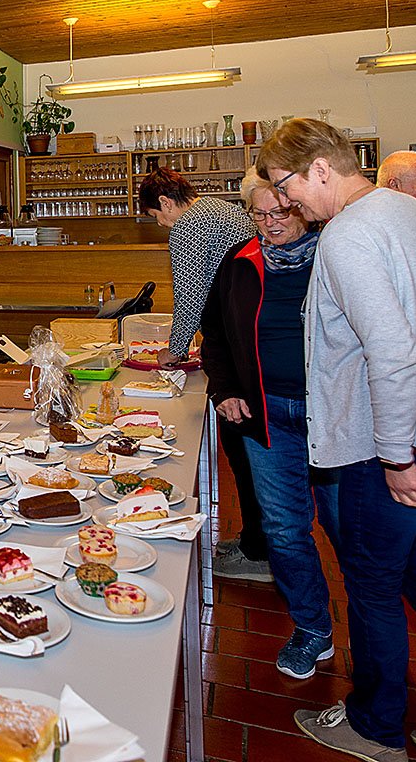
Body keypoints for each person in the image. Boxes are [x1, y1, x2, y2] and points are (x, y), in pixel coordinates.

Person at [258, 119, 416, 762]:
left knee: (372, 582)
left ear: (321, 168)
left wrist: (396, 454)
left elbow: (392, 353)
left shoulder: (348, 234)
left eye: (286, 185)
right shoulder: (412, 213)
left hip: (400, 440)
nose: (287, 201)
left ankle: (374, 727)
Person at [201, 170, 339, 680]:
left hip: (336, 417)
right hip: (268, 415)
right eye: (258, 214)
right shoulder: (238, 262)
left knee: (348, 533)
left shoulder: (335, 257)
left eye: (279, 212)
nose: (269, 223)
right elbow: (215, 332)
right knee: (283, 529)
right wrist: (225, 388)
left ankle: (376, 644)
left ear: (302, 206)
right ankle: (313, 628)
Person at [138, 167, 272, 583]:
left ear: (165, 202)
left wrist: (174, 351)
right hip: (252, 336)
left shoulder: (188, 226)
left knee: (244, 452)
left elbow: (189, 296)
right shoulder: (220, 208)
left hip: (235, 344)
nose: (160, 224)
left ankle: (260, 553)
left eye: (155, 215)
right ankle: (254, 540)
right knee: (252, 453)